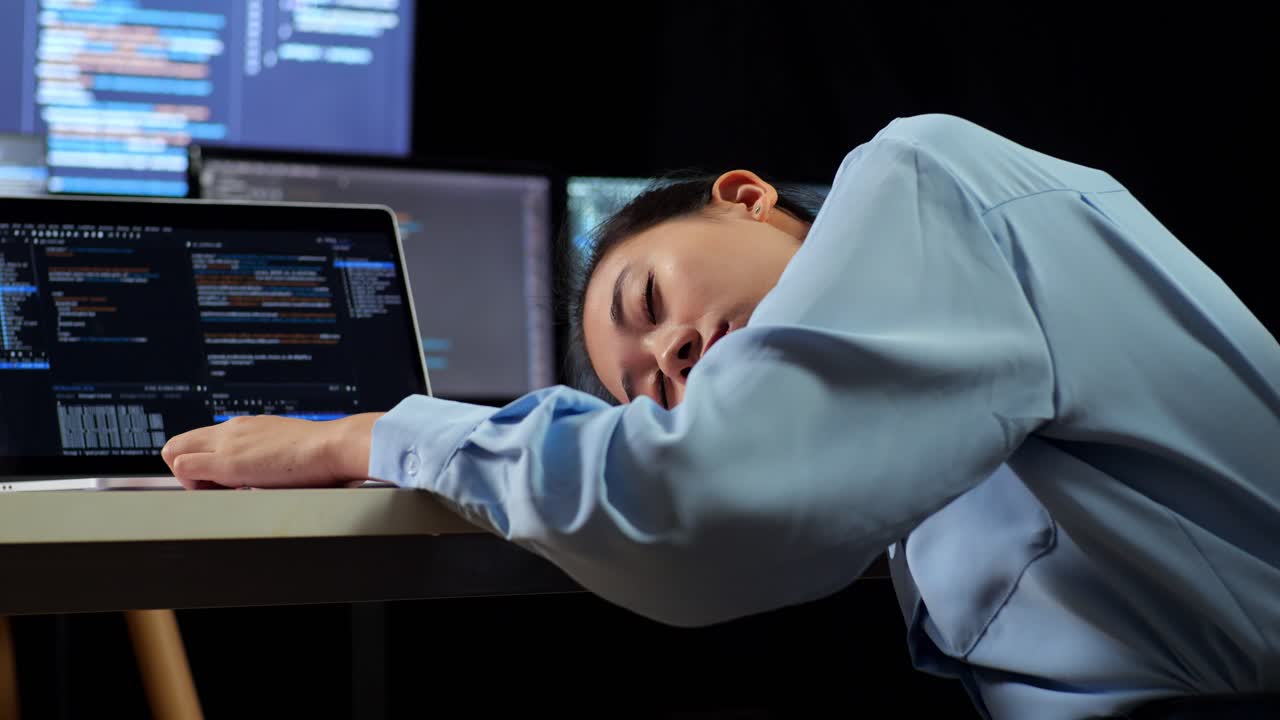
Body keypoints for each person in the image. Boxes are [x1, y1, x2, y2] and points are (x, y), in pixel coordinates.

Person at [160, 114, 1280, 719]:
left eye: (648, 303)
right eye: (652, 386)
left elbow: (700, 495)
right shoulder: (912, 376)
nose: (673, 356)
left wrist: (371, 434)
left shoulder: (915, 171)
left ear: (744, 196)